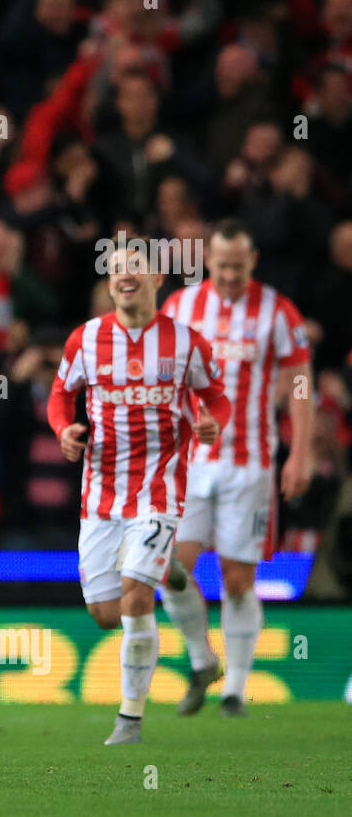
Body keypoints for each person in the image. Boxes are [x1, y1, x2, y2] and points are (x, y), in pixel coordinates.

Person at [49, 244, 230, 745]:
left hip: (159, 489)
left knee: (134, 598)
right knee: (106, 614)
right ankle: (166, 569)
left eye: (136, 268)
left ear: (157, 279)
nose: (125, 276)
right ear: (109, 284)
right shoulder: (84, 339)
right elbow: (61, 395)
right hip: (100, 495)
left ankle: (129, 720)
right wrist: (64, 428)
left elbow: (216, 397)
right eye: (116, 270)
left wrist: (214, 422)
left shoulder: (187, 343)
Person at [159, 219, 312, 717]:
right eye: (221, 265)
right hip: (189, 464)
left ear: (253, 260)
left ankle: (235, 689)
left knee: (239, 578)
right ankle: (204, 660)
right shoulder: (181, 307)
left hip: (251, 463)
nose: (228, 274)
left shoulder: (277, 311)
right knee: (170, 567)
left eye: (237, 265)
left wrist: (301, 451)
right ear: (208, 261)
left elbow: (300, 384)